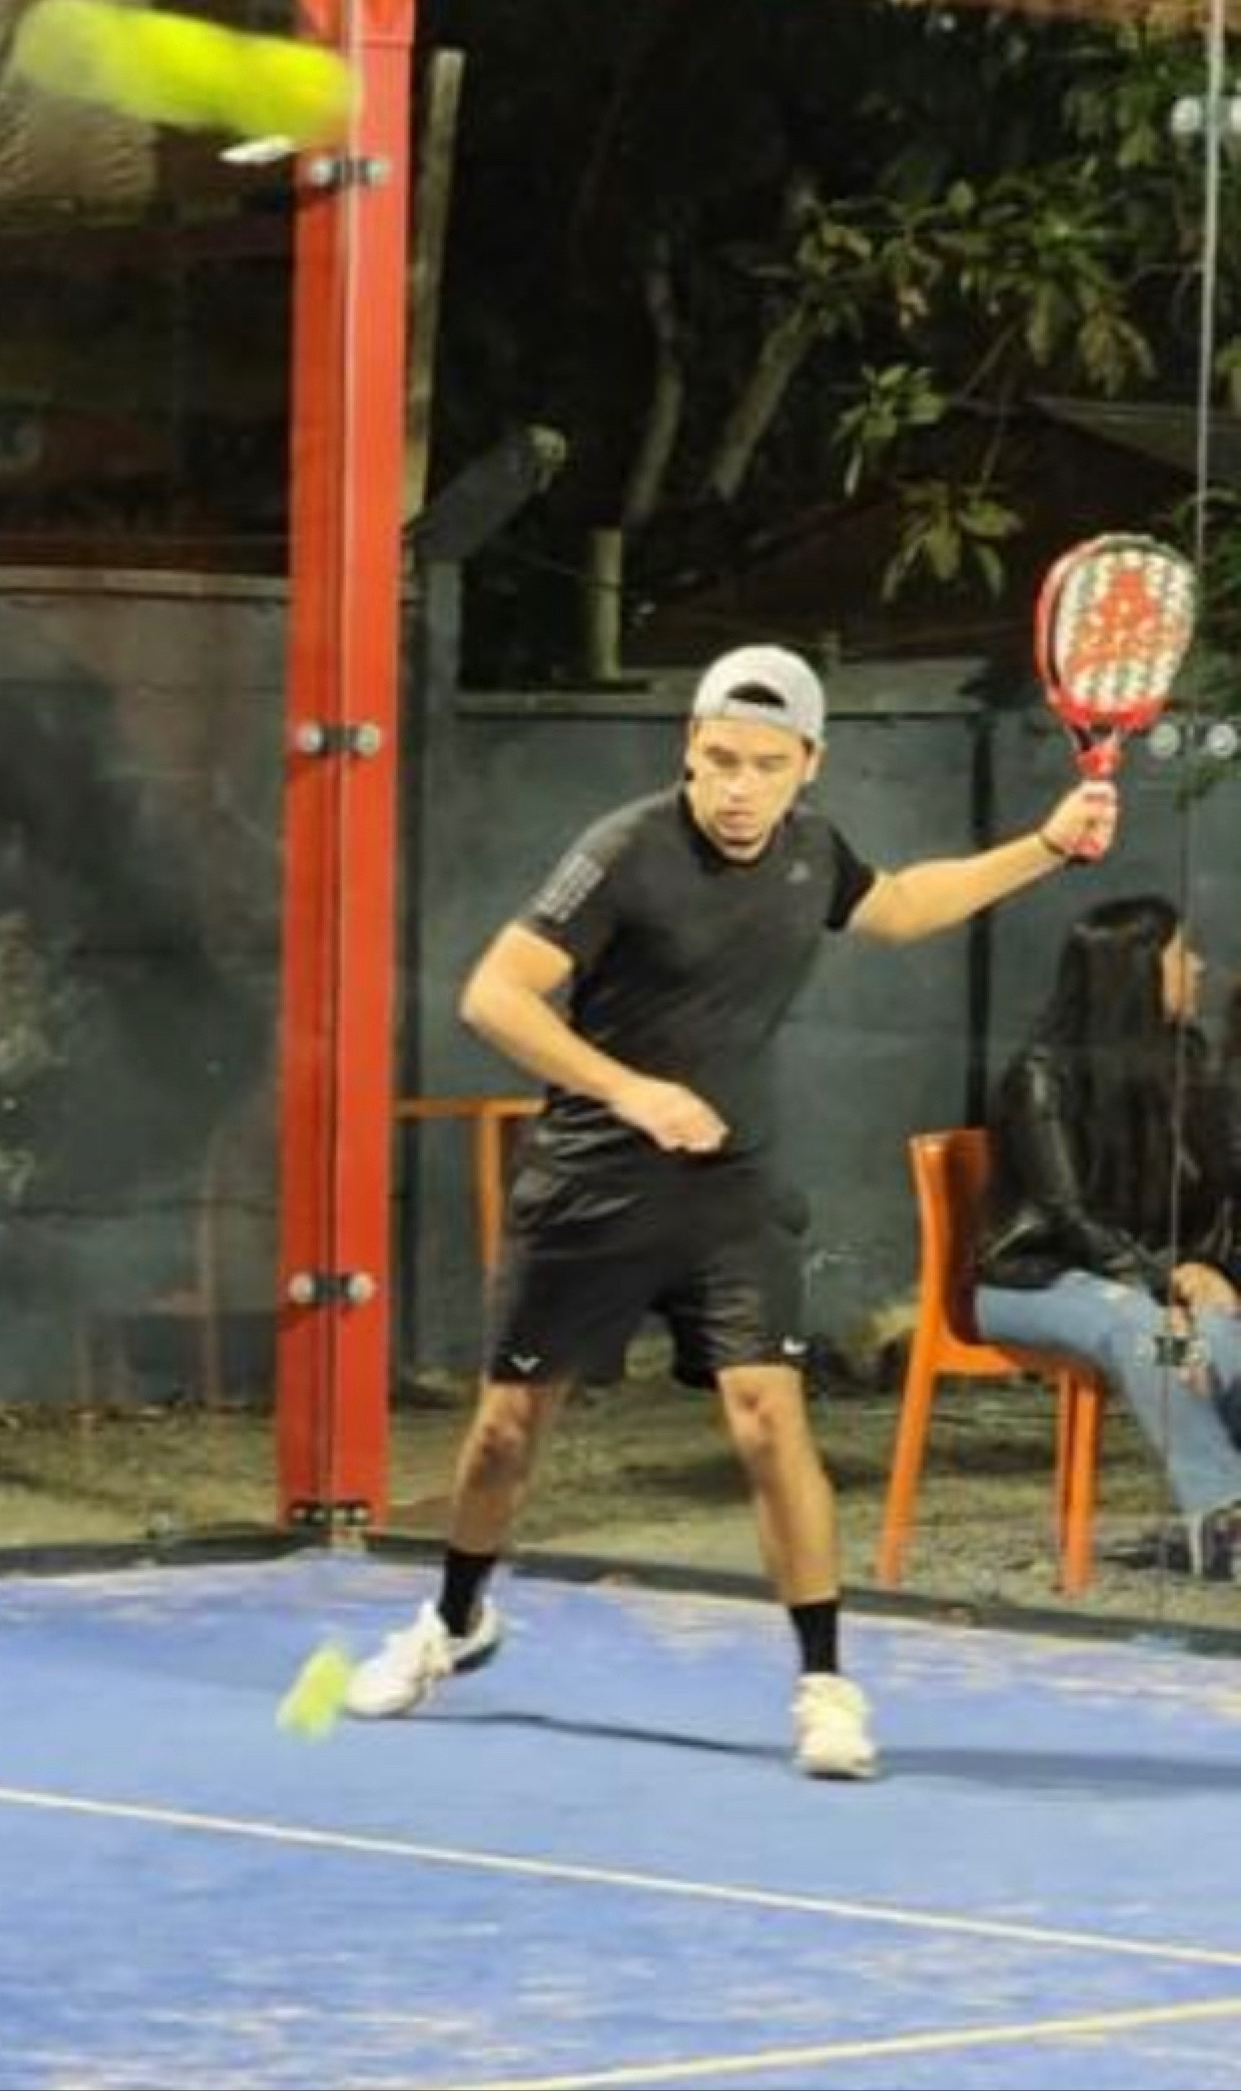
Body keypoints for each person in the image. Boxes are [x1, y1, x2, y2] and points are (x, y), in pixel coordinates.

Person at [344, 642, 1120, 1779]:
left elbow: (903, 905)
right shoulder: (623, 851)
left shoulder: (813, 853)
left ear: (810, 764)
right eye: (719, 760)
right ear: (689, 750)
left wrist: (1047, 845)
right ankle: (455, 1619)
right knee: (509, 1428)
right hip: (591, 1184)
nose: (739, 787)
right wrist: (630, 1089)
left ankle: (825, 1685)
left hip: (730, 1188)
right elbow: (493, 996)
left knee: (768, 1416)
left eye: (765, 764)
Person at [975, 894, 1241, 1579]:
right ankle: (1223, 1518)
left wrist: (1204, 1269)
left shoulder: (1182, 1061)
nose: (1199, 967)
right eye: (1182, 954)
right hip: (1035, 1279)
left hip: (1143, 1279)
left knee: (1216, 1333)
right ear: (1137, 970)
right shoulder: (1042, 1076)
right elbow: (1067, 1215)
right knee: (1146, 1335)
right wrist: (1160, 1285)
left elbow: (1214, 1191)